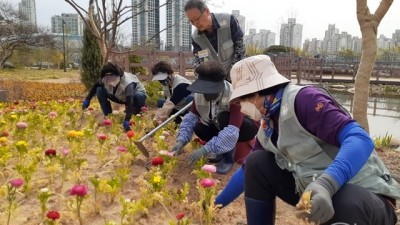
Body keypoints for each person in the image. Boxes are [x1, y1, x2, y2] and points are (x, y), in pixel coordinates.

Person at [219, 54, 399, 225]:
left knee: (344, 201)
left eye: (243, 100)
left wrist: (327, 183)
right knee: (256, 162)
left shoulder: (305, 100)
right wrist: (215, 204)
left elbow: (360, 139)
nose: (242, 108)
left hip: (364, 197)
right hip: (317, 191)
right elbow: (246, 170)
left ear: (256, 93)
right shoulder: (269, 123)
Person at [170, 60, 258, 174]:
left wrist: (204, 150)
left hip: (245, 127)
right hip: (218, 125)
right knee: (199, 127)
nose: (206, 94)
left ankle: (227, 158)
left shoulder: (233, 95)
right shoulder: (198, 95)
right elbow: (190, 119)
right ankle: (218, 151)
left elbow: (232, 130)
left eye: (210, 90)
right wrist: (181, 141)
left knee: (223, 117)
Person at [184, 0, 245, 81]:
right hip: (215, 81)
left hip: (237, 75)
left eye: (197, 19)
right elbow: (198, 61)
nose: (196, 23)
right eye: (192, 21)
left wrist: (233, 74)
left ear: (207, 11)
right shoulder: (196, 38)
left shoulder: (228, 21)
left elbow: (240, 49)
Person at [82, 62, 147, 132]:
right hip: (118, 96)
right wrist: (87, 99)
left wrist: (127, 119)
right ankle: (108, 116)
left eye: (113, 78)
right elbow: (95, 86)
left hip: (133, 97)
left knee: (139, 96)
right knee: (99, 90)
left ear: (118, 75)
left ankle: (136, 116)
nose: (111, 80)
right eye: (108, 78)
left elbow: (130, 102)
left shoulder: (128, 83)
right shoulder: (104, 79)